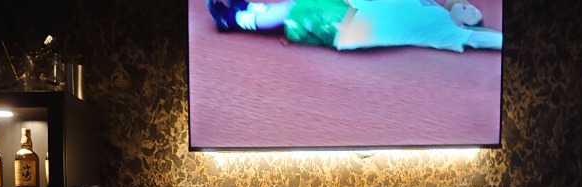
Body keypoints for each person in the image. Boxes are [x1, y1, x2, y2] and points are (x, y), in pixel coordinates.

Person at [206, 0, 502, 52]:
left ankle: (232, 20)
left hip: (349, 25)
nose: (471, 7)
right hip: (353, 8)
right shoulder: (432, 8)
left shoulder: (448, 31)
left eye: (473, 13)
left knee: (295, 11)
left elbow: (483, 39)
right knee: (299, 3)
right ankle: (248, 9)